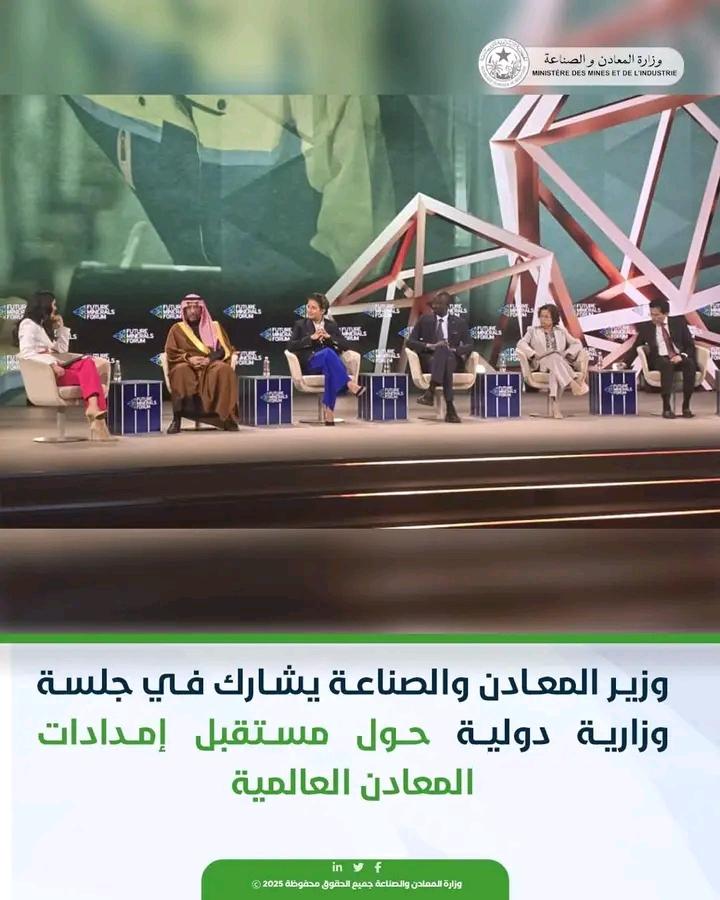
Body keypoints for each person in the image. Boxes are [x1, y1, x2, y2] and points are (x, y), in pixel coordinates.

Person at [14, 290, 111, 440]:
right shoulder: (28, 324)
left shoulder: (42, 326)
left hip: (57, 368)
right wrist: (52, 364)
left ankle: (93, 409)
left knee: (87, 363)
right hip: (46, 374)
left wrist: (61, 327)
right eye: (53, 304)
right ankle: (98, 421)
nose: (55, 308)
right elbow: (26, 353)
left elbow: (61, 350)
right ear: (44, 305)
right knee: (93, 378)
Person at [164, 294, 239, 433]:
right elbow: (171, 351)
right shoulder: (177, 329)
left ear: (202, 309)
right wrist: (188, 358)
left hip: (210, 363)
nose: (192, 311)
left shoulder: (215, 327)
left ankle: (227, 417)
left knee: (224, 370)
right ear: (184, 310)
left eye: (196, 307)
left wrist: (209, 359)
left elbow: (224, 349)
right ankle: (176, 419)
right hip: (187, 363)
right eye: (189, 308)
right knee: (180, 371)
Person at [287, 292, 366, 425]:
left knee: (329, 367)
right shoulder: (300, 325)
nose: (309, 310)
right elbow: (290, 346)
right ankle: (349, 384)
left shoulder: (331, 326)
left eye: (313, 308)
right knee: (329, 354)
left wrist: (330, 338)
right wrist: (310, 339)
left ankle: (329, 413)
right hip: (311, 363)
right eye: (308, 307)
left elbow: (345, 345)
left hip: (327, 364)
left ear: (322, 310)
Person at [625, 298, 698, 419]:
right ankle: (666, 408)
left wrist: (681, 356)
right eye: (651, 314)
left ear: (666, 313)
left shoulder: (678, 322)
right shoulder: (647, 327)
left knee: (690, 364)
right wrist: (625, 363)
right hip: (659, 358)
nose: (653, 318)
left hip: (678, 356)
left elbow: (690, 345)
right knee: (666, 365)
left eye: (657, 315)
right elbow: (636, 346)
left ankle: (686, 406)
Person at [407, 291, 473, 423]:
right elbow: (410, 342)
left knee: (445, 354)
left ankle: (430, 391)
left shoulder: (459, 322)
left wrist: (455, 350)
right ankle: (450, 409)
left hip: (453, 359)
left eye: (439, 304)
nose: (434, 306)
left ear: (447, 306)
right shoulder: (424, 320)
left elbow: (470, 345)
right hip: (430, 359)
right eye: (434, 303)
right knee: (443, 355)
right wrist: (430, 346)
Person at [517, 303, 589, 419]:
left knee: (555, 370)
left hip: (559, 363)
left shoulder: (561, 330)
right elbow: (521, 343)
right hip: (542, 363)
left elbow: (577, 343)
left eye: (546, 317)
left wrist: (567, 353)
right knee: (554, 358)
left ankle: (556, 408)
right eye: (541, 316)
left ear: (553, 318)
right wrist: (533, 354)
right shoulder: (532, 330)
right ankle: (573, 382)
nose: (543, 319)